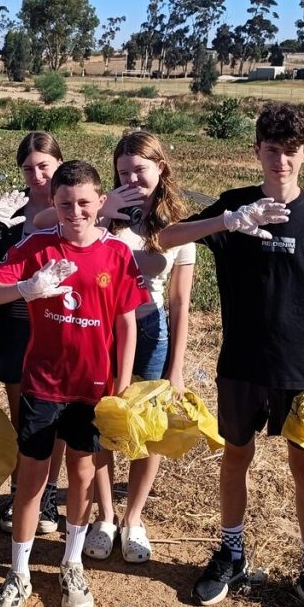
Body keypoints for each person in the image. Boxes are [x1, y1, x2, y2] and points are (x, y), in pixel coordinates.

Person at [157, 103, 304, 607]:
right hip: (241, 364)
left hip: (302, 366)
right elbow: (166, 238)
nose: (281, 161)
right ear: (257, 151)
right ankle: (232, 552)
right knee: (235, 457)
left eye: (291, 151)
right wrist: (229, 221)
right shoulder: (236, 204)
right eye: (272, 150)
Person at [0, 160, 148, 607]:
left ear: (100, 202)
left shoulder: (117, 253)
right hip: (43, 383)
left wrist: (123, 385)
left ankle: (71, 563)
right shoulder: (36, 246)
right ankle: (18, 573)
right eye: (65, 203)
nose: (75, 212)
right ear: (53, 204)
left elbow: (126, 323)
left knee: (83, 473)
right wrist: (27, 287)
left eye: (84, 203)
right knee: (32, 480)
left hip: (93, 389)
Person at [81, 131, 197, 564]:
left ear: (160, 167)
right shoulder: (105, 216)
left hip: (151, 330)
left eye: (140, 170)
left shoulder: (177, 226)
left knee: (149, 427)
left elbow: (180, 303)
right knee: (102, 420)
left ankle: (133, 518)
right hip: (101, 329)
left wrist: (177, 368)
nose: (131, 179)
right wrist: (101, 212)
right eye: (123, 172)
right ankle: (105, 516)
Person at [0, 131, 67, 537]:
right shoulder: (12, 209)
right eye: (28, 168)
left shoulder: (73, 206)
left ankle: (47, 493)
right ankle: (21, 490)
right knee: (22, 412)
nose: (37, 175)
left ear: (59, 163)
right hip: (13, 317)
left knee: (55, 411)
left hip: (60, 318)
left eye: (44, 166)